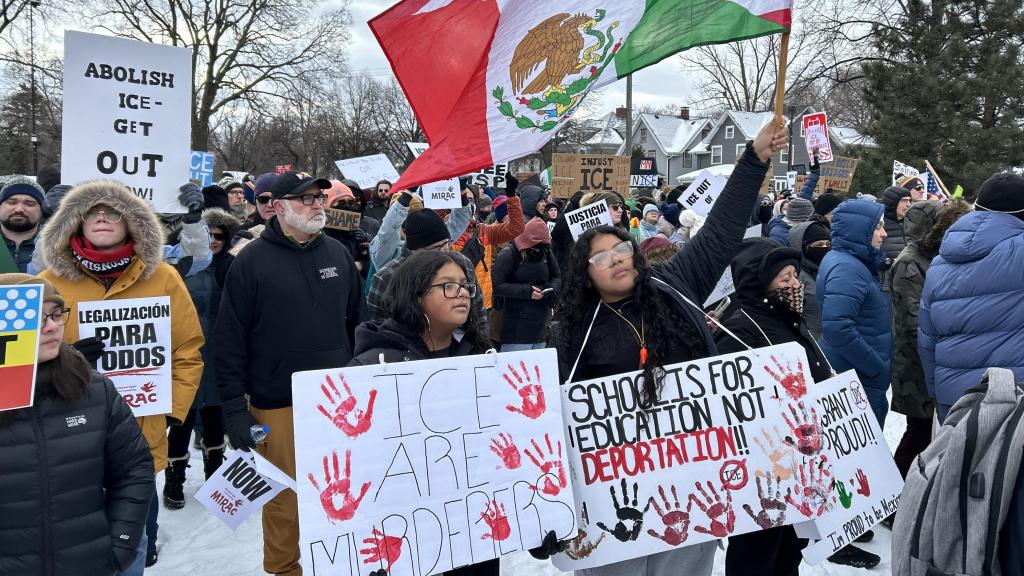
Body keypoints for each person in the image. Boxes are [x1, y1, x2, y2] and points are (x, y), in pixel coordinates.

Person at [551, 119, 788, 576]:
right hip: (615, 499)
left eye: (622, 250)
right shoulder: (572, 330)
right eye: (601, 257)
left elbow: (720, 230)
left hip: (691, 488)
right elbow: (558, 423)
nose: (617, 259)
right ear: (585, 273)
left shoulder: (674, 284)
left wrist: (754, 161)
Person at [36, 180, 205, 569]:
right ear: (73, 223)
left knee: (132, 550)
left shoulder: (164, 277)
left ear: (134, 223)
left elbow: (187, 350)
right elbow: (21, 363)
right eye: (92, 211)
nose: (102, 216)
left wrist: (170, 412)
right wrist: (65, 360)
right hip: (67, 440)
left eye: (113, 211)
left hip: (138, 437)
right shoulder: (47, 282)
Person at [215, 170, 366, 576]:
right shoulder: (249, 262)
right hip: (277, 404)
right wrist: (233, 408)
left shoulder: (337, 254)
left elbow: (359, 323)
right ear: (277, 207)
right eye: (305, 199)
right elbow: (229, 340)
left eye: (319, 197)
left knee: (345, 491)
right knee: (282, 501)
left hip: (338, 404)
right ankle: (284, 570)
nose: (317, 204)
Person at [716, 239, 880, 572]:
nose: (795, 285)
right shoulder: (736, 328)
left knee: (790, 549)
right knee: (758, 553)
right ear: (760, 283)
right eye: (784, 278)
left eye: (795, 276)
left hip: (798, 462)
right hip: (763, 471)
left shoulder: (785, 317)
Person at [0, 273, 154, 576]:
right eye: (36, 316)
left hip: (88, 564)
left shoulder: (94, 390)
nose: (53, 326)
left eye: (57, 314)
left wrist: (121, 545)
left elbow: (133, 470)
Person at [919, 172, 1024, 421]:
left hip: (955, 401)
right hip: (1014, 401)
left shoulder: (939, 262)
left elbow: (927, 337)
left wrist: (938, 392)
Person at [162, 207, 242, 510]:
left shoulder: (232, 267)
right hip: (184, 353)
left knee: (214, 416)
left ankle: (215, 477)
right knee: (181, 419)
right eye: (208, 235)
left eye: (220, 236)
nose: (213, 241)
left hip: (219, 354)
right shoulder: (177, 267)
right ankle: (174, 479)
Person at [887, 199, 969, 478]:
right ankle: (897, 491)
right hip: (916, 368)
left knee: (927, 434)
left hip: (928, 362)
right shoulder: (910, 262)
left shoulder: (930, 258)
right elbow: (912, 325)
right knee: (918, 434)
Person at [817, 200, 892, 426]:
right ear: (859, 230)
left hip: (856, 373)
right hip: (857, 376)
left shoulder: (851, 261)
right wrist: (874, 366)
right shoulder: (848, 268)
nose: (885, 233)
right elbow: (837, 327)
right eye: (877, 227)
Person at [368, 206, 486, 324]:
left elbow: (479, 314)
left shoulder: (462, 263)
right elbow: (377, 330)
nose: (443, 251)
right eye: (435, 248)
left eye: (446, 244)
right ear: (414, 250)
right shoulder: (386, 277)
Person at [491, 217, 559, 351]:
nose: (538, 251)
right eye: (535, 248)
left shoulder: (546, 252)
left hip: (541, 324)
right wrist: (527, 292)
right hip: (516, 325)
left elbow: (556, 275)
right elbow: (497, 286)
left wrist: (549, 290)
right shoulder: (508, 255)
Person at [788, 220, 831, 338]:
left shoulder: (831, 269)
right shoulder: (794, 277)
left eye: (828, 245)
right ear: (802, 247)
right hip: (811, 341)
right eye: (818, 245)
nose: (825, 249)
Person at [0, 176, 45, 273]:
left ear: (42, 210)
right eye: (11, 202)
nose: (19, 209)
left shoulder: (56, 247)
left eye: (29, 203)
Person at [880, 185, 912, 262]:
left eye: (909, 201)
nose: (908, 204)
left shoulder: (913, 223)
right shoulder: (878, 224)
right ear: (892, 203)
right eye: (903, 200)